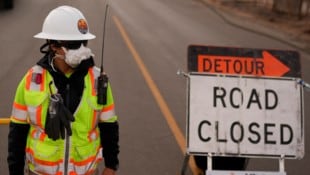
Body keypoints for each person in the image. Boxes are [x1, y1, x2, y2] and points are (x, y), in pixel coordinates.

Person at [7, 5, 119, 175]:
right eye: (74, 44)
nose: (81, 49)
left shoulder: (98, 80)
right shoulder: (32, 81)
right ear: (53, 44)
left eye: (83, 43)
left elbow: (109, 125)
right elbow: (17, 132)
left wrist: (111, 165)